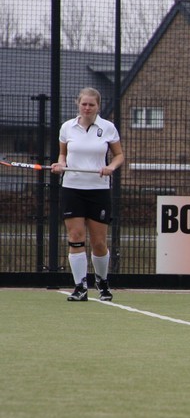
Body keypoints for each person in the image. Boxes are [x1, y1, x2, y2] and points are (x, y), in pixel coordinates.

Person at [51, 87, 125, 302]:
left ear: (98, 106)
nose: (87, 108)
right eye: (84, 104)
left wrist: (110, 167)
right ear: (78, 104)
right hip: (72, 188)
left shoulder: (107, 128)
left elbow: (119, 155)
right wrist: (60, 164)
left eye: (91, 104)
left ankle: (102, 282)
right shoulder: (67, 127)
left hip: (98, 190)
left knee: (99, 242)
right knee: (75, 237)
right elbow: (63, 154)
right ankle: (80, 287)